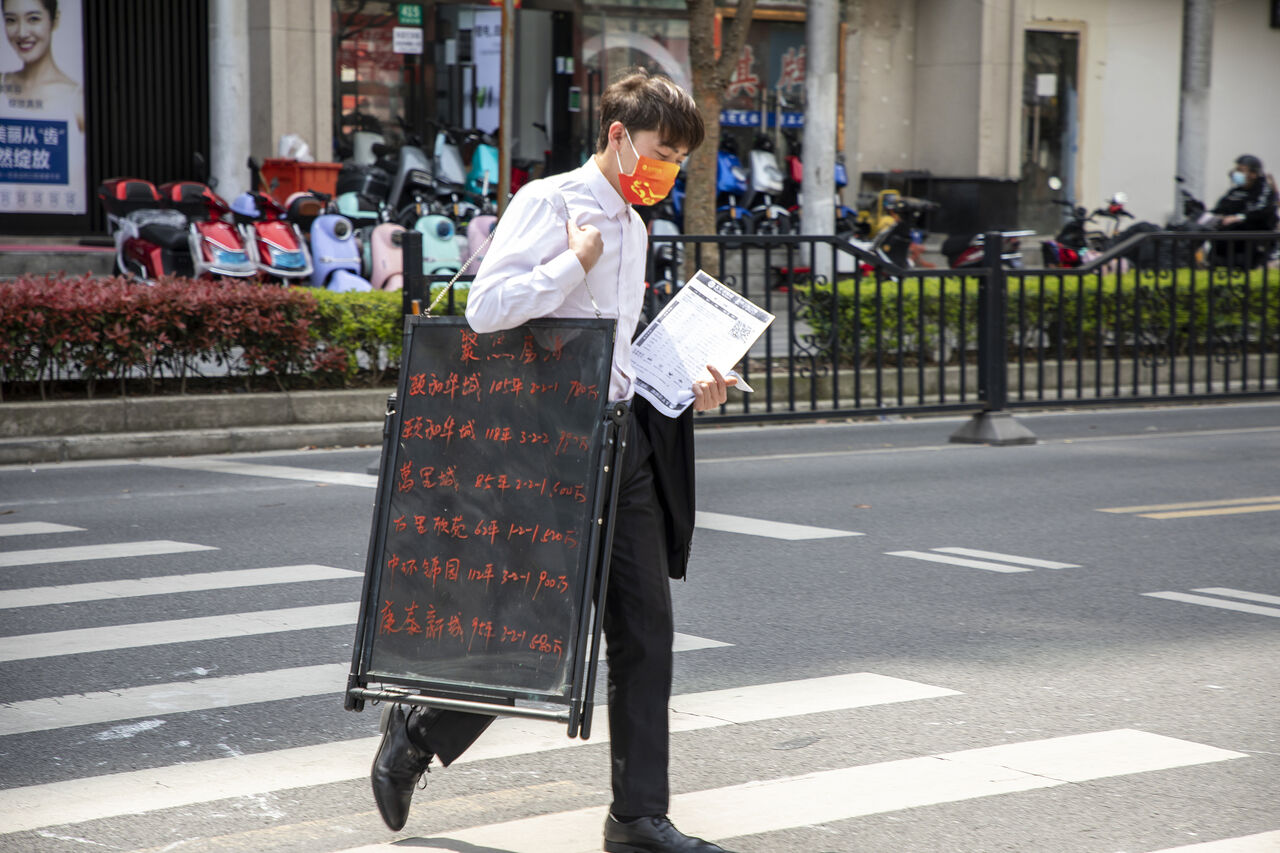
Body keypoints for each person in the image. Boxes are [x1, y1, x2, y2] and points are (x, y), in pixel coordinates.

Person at [368, 69, 738, 853]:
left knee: (645, 628)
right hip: (548, 442)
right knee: (533, 620)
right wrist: (571, 262)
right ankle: (417, 730)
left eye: (679, 159)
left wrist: (693, 380)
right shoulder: (551, 203)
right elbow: (485, 308)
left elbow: (616, 349)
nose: (668, 169)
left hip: (622, 439)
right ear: (618, 136)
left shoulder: (636, 227)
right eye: (662, 151)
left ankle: (636, 818)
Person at [1, 0, 83, 132]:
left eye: (33, 19)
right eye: (11, 20)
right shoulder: (2, 81)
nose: (22, 33)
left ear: (55, 20)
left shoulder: (76, 100)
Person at [1209, 154, 1279, 269]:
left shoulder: (1264, 190)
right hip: (1229, 244)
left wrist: (1239, 217)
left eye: (1241, 170)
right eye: (1236, 170)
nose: (1236, 174)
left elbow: (1261, 210)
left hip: (1255, 246)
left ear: (1253, 174)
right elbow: (1221, 209)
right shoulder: (1235, 192)